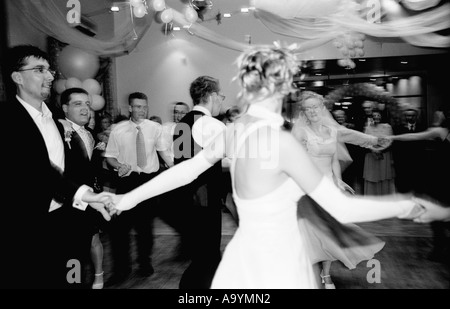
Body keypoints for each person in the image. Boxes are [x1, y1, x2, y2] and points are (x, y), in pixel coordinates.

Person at [109, 45, 439, 289]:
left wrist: (127, 199)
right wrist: (409, 205)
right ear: (282, 86)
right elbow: (342, 209)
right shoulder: (279, 142)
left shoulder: (235, 130)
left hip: (241, 256)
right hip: (277, 264)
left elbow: (184, 170)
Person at [2, 44, 113, 289]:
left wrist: (87, 199)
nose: (51, 76)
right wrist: (87, 196)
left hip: (65, 217)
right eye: (40, 70)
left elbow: (72, 168)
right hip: (25, 225)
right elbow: (38, 171)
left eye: (50, 70)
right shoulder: (8, 119)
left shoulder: (56, 118)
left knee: (67, 277)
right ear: (17, 77)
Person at [292, 91, 386, 289]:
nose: (312, 112)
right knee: (311, 234)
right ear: (304, 112)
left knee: (330, 233)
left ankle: (326, 275)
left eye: (315, 107)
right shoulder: (300, 132)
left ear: (322, 108)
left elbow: (334, 159)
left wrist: (339, 182)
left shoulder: (331, 130)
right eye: (307, 109)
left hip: (329, 188)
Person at [104, 92, 173, 286]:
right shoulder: (118, 129)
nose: (142, 110)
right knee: (120, 230)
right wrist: (119, 166)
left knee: (145, 227)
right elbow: (109, 157)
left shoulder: (156, 128)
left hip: (147, 181)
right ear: (130, 108)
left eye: (145, 106)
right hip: (127, 182)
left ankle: (145, 262)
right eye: (138, 106)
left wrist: (177, 168)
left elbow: (164, 154)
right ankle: (121, 269)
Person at [171, 76, 226, 289]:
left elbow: (183, 164)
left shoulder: (183, 123)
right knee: (208, 257)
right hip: (206, 198)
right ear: (211, 96)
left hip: (187, 197)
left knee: (202, 256)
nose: (221, 100)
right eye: (220, 95)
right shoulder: (212, 124)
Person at [59, 87, 106, 289]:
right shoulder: (58, 130)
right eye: (78, 104)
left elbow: (92, 169)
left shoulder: (91, 134)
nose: (86, 109)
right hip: (67, 201)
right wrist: (58, 122)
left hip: (90, 200)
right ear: (64, 108)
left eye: (87, 104)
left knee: (91, 240)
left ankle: (96, 276)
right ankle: (74, 283)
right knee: (72, 251)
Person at [388, 110, 450, 263]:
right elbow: (413, 136)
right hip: (441, 180)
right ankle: (439, 247)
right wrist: (392, 137)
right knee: (436, 215)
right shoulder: (441, 131)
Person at [392, 108, 427, 194]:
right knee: (403, 188)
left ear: (416, 117)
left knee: (418, 188)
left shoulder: (422, 128)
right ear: (405, 116)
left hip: (418, 163)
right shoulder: (398, 129)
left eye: (412, 115)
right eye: (408, 115)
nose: (410, 117)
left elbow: (424, 145)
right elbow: (395, 146)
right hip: (403, 163)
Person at [363, 108, 396, 195]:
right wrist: (373, 149)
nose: (376, 117)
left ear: (382, 116)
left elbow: (390, 141)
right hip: (371, 155)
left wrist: (380, 150)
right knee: (372, 176)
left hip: (384, 155)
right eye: (374, 116)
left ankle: (384, 196)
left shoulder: (387, 127)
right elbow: (365, 141)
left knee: (383, 176)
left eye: (378, 115)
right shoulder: (368, 128)